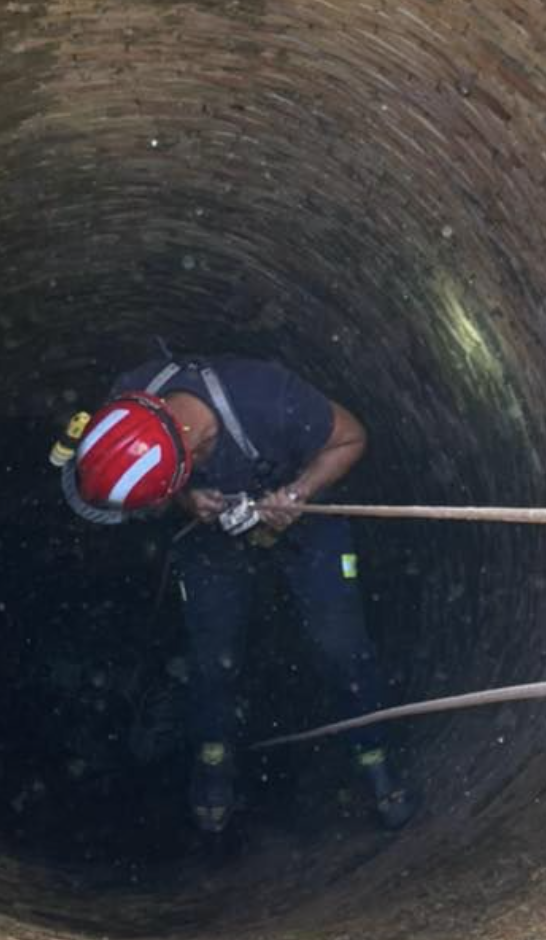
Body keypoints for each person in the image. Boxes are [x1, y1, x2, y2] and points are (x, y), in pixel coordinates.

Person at [61, 354, 416, 833]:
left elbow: (353, 436)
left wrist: (298, 493)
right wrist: (189, 502)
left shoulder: (269, 400)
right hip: (213, 531)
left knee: (339, 644)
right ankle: (214, 753)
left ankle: (372, 751)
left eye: (158, 501)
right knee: (212, 652)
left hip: (301, 514)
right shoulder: (129, 394)